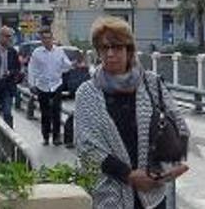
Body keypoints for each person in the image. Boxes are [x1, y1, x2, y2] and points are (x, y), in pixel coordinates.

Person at [76, 17, 190, 209]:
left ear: (129, 50)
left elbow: (179, 125)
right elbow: (87, 147)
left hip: (152, 195)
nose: (111, 54)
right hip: (109, 195)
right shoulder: (87, 93)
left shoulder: (152, 84)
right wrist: (129, 176)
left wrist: (167, 169)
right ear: (98, 51)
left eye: (118, 47)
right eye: (105, 48)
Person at [28, 29, 72, 146]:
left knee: (56, 112)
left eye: (49, 38)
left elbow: (67, 65)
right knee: (45, 113)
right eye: (44, 38)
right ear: (42, 40)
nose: (47, 40)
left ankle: (57, 137)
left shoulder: (59, 51)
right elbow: (32, 69)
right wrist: (32, 84)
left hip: (56, 85)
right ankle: (46, 136)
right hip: (42, 86)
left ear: (52, 39)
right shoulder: (37, 53)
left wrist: (67, 66)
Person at [0, 26, 22, 127]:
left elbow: (17, 68)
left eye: (10, 36)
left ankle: (10, 137)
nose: (9, 39)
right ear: (0, 36)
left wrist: (11, 72)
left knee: (7, 112)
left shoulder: (12, 52)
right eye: (7, 36)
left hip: (8, 86)